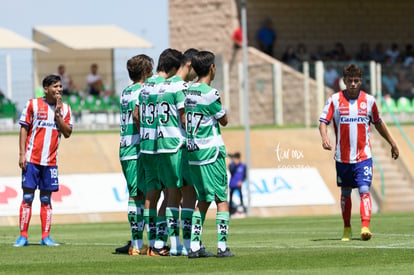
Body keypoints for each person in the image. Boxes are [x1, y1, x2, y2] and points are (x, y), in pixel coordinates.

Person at [319, 64, 399, 242]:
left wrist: (392, 143)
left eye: (356, 81)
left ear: (360, 81)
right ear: (344, 81)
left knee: (364, 190)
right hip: (342, 158)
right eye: (350, 81)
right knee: (346, 193)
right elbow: (323, 121)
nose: (353, 84)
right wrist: (324, 137)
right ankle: (347, 228)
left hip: (364, 157)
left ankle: (365, 227)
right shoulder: (334, 100)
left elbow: (378, 123)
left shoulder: (369, 101)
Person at [185, 51, 234, 258]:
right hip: (211, 152)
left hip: (193, 152)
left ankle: (194, 246)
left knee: (202, 199)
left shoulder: (188, 91)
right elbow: (224, 120)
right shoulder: (211, 93)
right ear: (212, 68)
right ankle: (222, 247)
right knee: (221, 199)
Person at [14, 74, 73, 247]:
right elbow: (24, 129)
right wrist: (21, 154)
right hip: (32, 159)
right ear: (46, 89)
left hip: (51, 161)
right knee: (27, 197)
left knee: (46, 200)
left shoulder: (66, 109)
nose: (59, 90)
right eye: (55, 86)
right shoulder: (32, 104)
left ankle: (45, 237)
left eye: (60, 86)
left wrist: (58, 116)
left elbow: (68, 133)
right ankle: (23, 236)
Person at [134, 48, 182, 256]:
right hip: (163, 145)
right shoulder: (166, 86)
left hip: (145, 146)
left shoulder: (144, 88)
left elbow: (136, 115)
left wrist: (144, 131)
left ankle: (152, 240)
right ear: (172, 68)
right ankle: (163, 243)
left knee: (151, 195)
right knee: (172, 193)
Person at [157, 48, 199, 256]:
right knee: (189, 192)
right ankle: (190, 244)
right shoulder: (182, 86)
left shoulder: (164, 85)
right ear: (189, 64)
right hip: (178, 145)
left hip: (162, 145)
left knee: (172, 195)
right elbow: (184, 119)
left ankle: (175, 245)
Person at [115, 54, 153, 256]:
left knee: (138, 194)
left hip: (125, 146)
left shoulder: (126, 91)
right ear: (146, 71)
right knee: (140, 195)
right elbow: (138, 117)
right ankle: (137, 244)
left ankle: (138, 242)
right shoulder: (142, 91)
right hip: (136, 147)